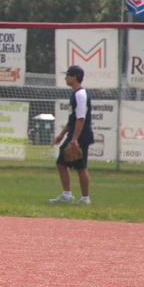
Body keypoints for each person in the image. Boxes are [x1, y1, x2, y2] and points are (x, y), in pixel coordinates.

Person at [48, 65, 93, 205]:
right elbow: (72, 119)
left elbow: (81, 118)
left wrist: (74, 139)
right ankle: (68, 195)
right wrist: (61, 135)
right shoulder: (75, 94)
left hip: (80, 135)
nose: (66, 78)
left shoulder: (80, 94)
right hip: (76, 134)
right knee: (61, 163)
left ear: (75, 77)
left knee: (80, 167)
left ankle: (85, 198)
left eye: (68, 75)